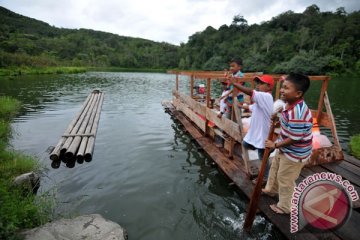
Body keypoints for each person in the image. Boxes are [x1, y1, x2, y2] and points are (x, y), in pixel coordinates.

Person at [263, 73, 313, 215]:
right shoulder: (288, 104)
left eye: (286, 88)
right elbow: (287, 122)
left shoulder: (298, 112)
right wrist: (278, 119)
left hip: (294, 152)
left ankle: (286, 207)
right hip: (285, 147)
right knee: (275, 168)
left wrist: (275, 145)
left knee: (286, 179)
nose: (282, 90)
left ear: (298, 93)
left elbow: (295, 138)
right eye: (282, 87)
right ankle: (270, 190)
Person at [231, 75, 274, 181]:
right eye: (257, 83)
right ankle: (268, 151)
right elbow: (252, 107)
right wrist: (241, 106)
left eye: (261, 83)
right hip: (257, 132)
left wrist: (235, 84)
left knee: (262, 157)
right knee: (246, 144)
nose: (258, 86)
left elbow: (251, 92)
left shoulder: (266, 96)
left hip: (263, 133)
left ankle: (265, 178)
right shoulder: (262, 99)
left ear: (269, 87)